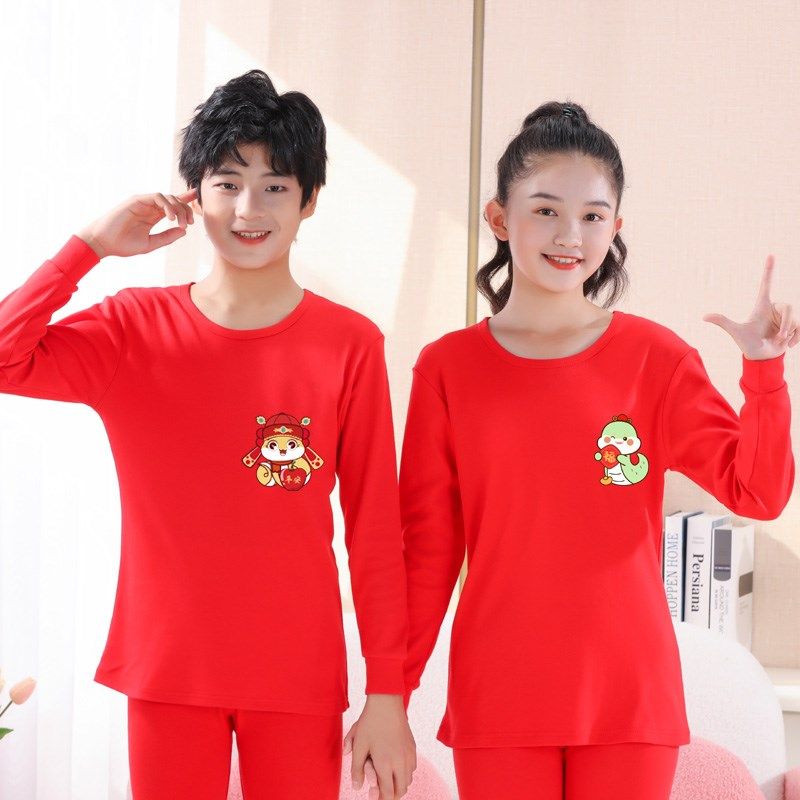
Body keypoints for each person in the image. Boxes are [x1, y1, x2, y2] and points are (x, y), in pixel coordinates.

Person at [0, 69, 415, 800]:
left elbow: (376, 531)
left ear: (310, 199)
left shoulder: (349, 344)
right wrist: (89, 246)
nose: (249, 209)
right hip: (167, 669)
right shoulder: (132, 328)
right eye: (227, 183)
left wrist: (389, 694)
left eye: (275, 186)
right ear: (194, 194)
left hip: (297, 675)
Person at [398, 100, 796, 800]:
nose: (569, 235)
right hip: (499, 692)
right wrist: (389, 697)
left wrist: (763, 374)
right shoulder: (447, 369)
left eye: (592, 215)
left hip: (628, 696)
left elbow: (757, 492)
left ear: (615, 227)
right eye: (546, 210)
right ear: (499, 218)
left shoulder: (655, 360)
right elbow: (427, 554)